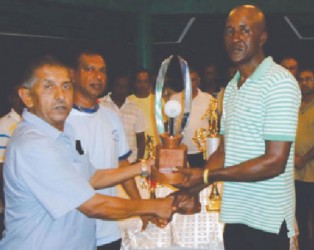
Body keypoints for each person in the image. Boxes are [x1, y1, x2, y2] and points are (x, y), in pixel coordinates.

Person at [0, 56, 176, 249]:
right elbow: (93, 205)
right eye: (48, 87)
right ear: (27, 96)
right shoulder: (33, 144)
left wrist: (144, 166)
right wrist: (155, 206)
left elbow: (92, 176)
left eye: (66, 86)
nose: (60, 95)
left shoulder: (68, 132)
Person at [175, 5, 301, 250]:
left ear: (262, 37)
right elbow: (224, 151)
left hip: (269, 221)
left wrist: (206, 175)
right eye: (229, 31)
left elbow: (274, 162)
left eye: (245, 31)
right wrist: (195, 187)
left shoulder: (280, 82)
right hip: (236, 217)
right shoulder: (232, 88)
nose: (235, 38)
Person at [67, 52, 154, 250]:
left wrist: (141, 207)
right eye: (89, 69)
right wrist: (142, 167)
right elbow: (88, 179)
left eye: (102, 71)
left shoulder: (111, 117)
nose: (97, 76)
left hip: (109, 231)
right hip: (74, 233)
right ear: (73, 75)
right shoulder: (63, 121)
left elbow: (122, 165)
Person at [99, 73, 146, 163]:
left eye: (125, 87)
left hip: (129, 162)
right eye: (118, 86)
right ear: (112, 86)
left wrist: (138, 161)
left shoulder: (136, 110)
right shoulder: (99, 105)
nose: (121, 90)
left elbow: (141, 140)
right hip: (105, 162)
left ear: (129, 88)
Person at [170, 69, 212, 167]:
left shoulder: (208, 99)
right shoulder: (174, 99)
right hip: (180, 150)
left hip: (202, 151)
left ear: (198, 81)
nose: (190, 83)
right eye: (187, 80)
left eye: (193, 80)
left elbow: (213, 126)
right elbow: (170, 127)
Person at [0, 85, 24, 235]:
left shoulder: (33, 123)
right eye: (18, 95)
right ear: (12, 98)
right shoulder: (4, 125)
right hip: (11, 205)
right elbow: (1, 168)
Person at [294, 68, 314, 250]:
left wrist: (304, 159)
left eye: (309, 79)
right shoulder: (292, 104)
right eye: (301, 79)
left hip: (311, 173)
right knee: (298, 217)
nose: (304, 82)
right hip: (293, 173)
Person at [129, 69, 161, 156]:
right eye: (139, 82)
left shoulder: (158, 101)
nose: (142, 85)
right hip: (135, 152)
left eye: (145, 82)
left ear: (150, 83)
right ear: (134, 83)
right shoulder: (128, 101)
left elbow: (164, 128)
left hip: (156, 151)